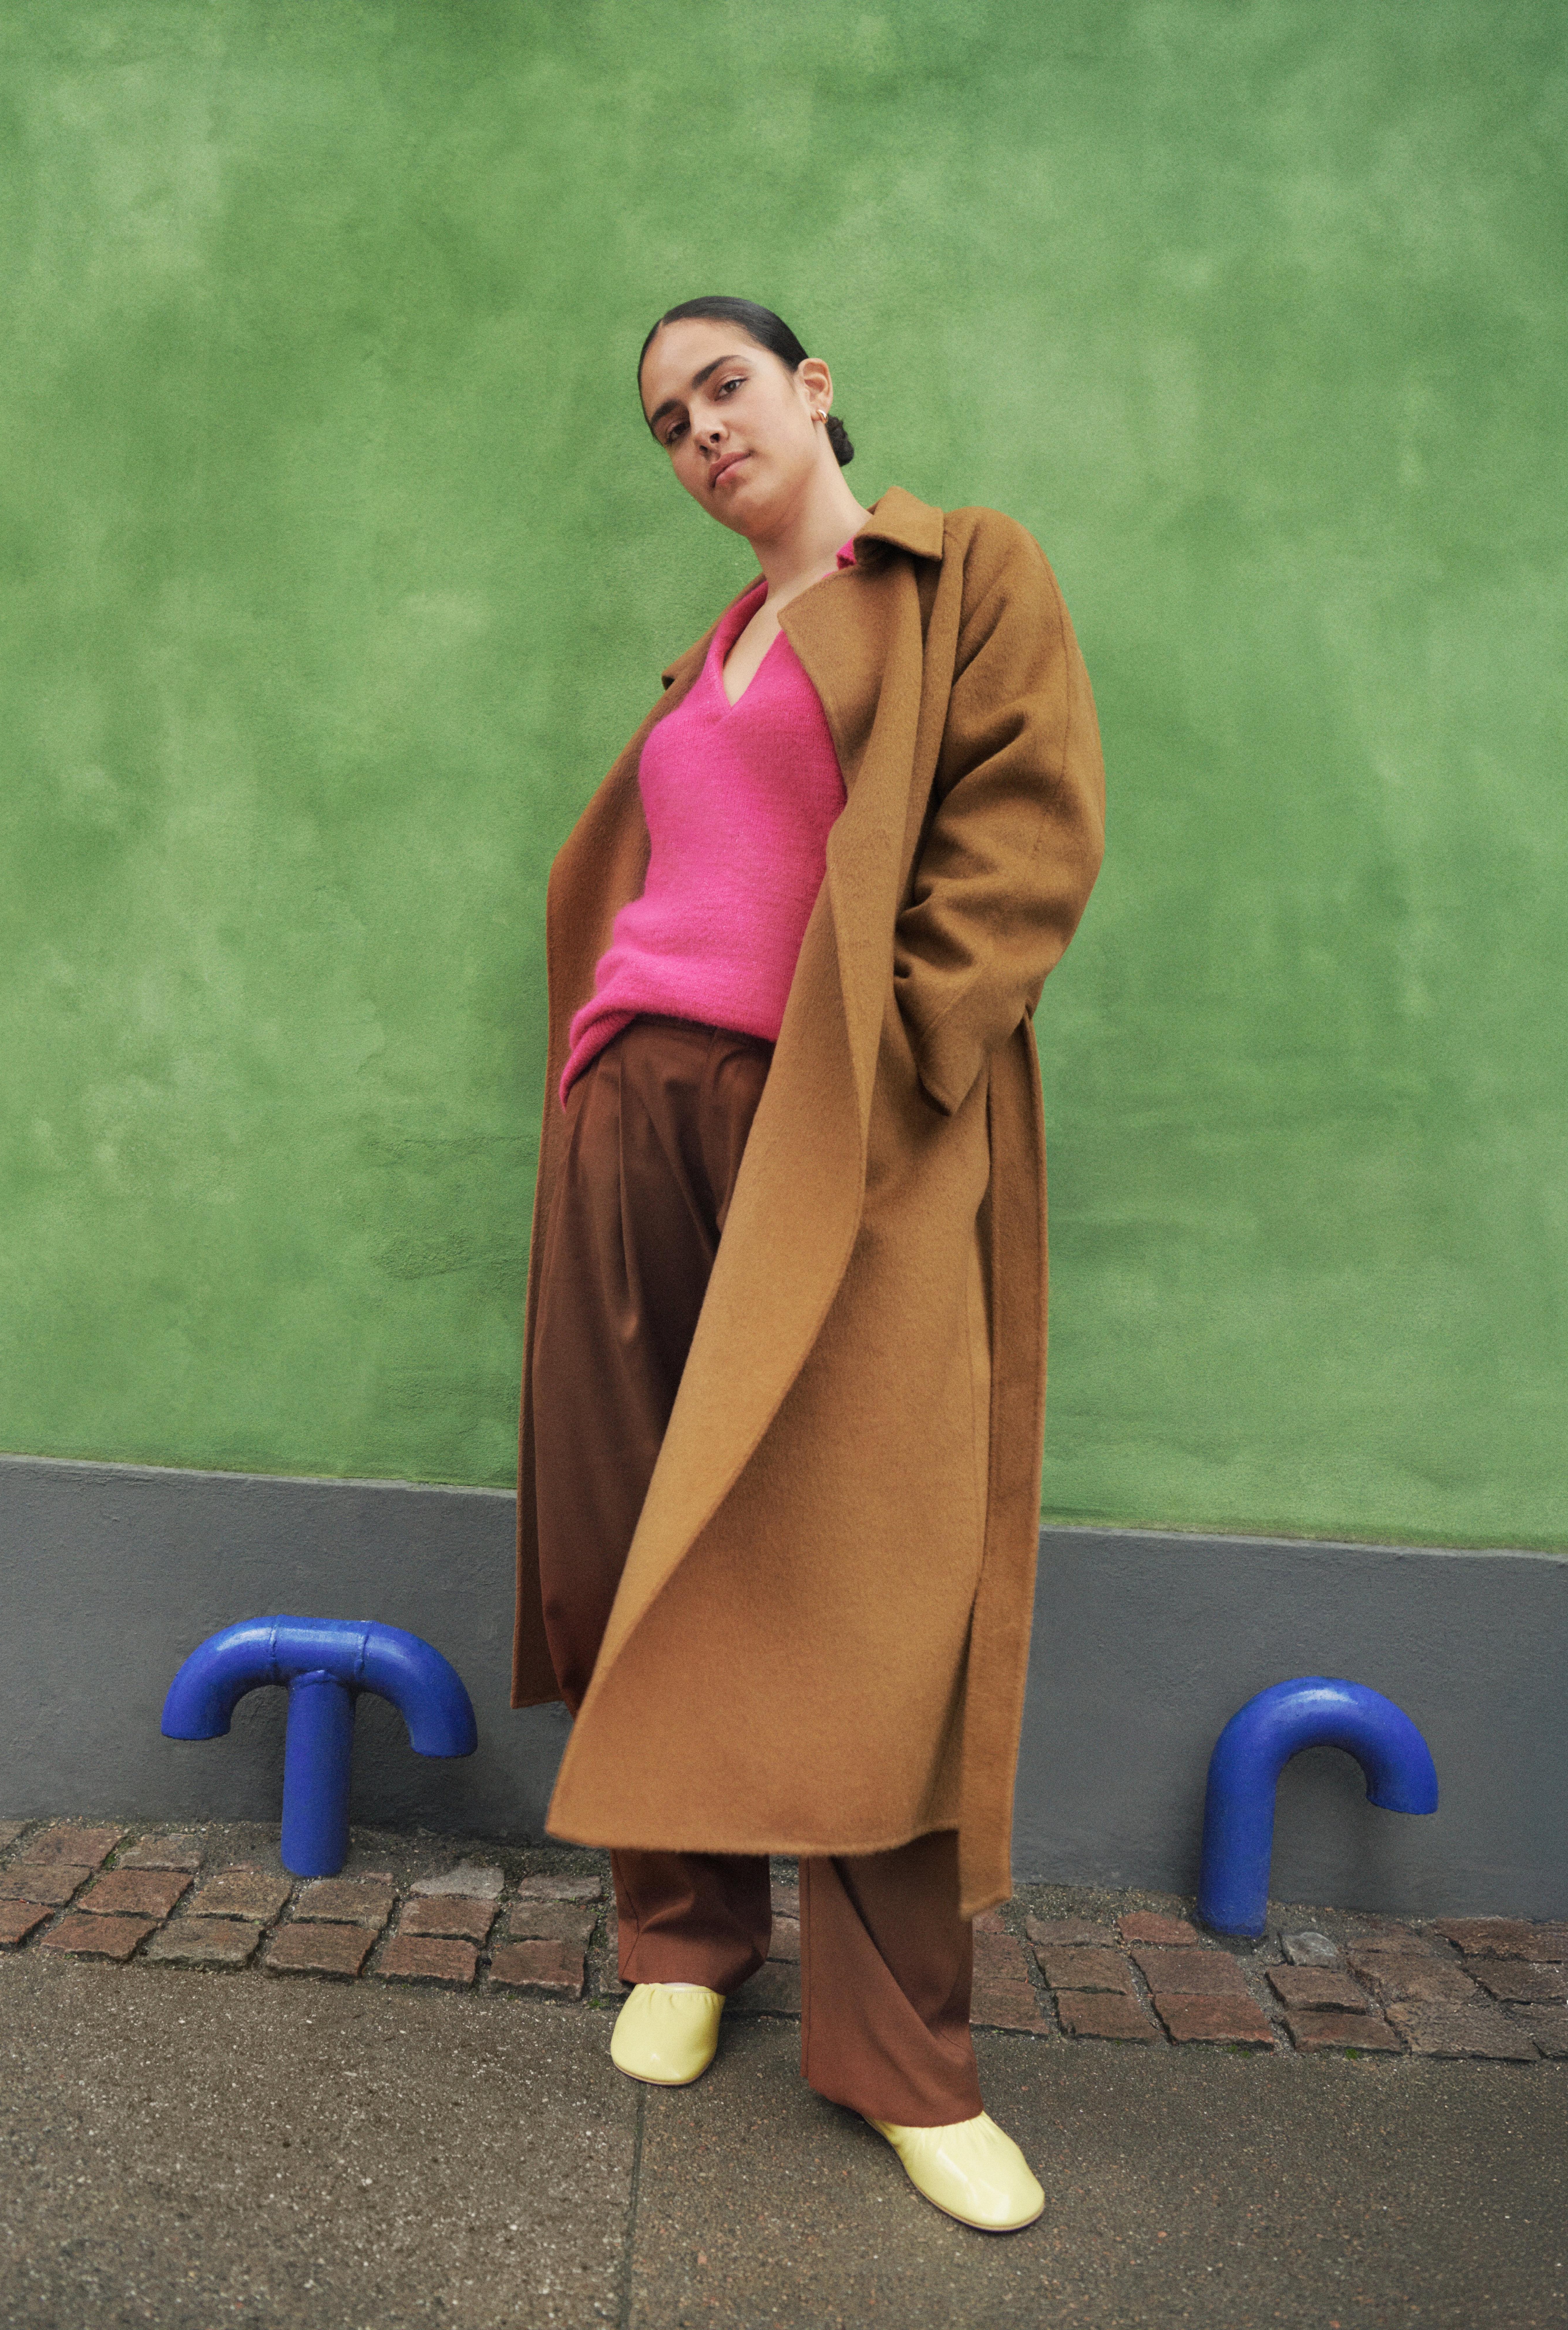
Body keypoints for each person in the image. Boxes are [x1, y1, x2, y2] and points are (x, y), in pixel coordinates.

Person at [511, 296, 1105, 2231]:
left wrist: (893, 1080)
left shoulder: (957, 577)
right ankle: (686, 1947)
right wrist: (600, 1070)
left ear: (815, 387)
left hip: (830, 1134)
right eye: (669, 421)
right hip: (631, 1124)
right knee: (640, 1537)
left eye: (728, 389)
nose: (701, 434)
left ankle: (907, 2060)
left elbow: (1024, 836)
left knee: (868, 1572)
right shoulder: (711, 657)